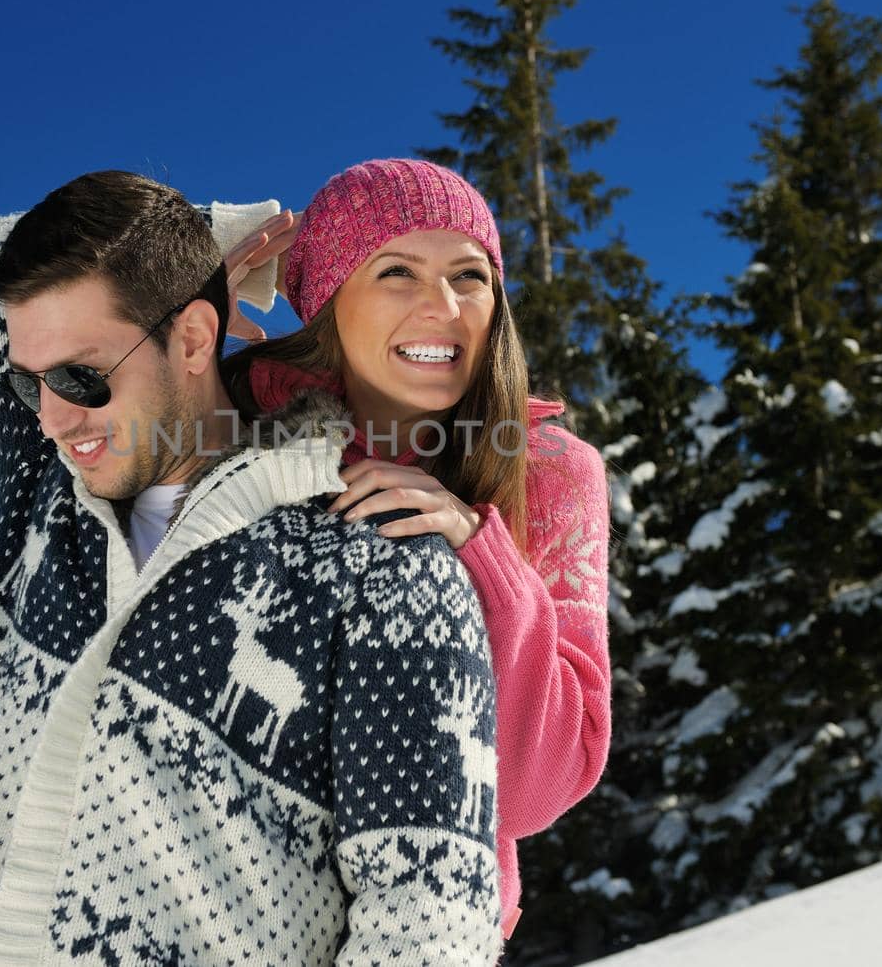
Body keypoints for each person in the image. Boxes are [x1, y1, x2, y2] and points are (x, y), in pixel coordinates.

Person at [0, 170, 504, 965]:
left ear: (191, 339)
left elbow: (431, 926)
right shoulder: (37, 497)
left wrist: (185, 279)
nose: (48, 417)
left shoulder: (381, 568)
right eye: (27, 380)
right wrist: (202, 244)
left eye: (82, 376)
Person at [220, 158, 613, 939]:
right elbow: (53, 460)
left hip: (426, 929)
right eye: (397, 270)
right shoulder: (231, 425)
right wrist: (173, 321)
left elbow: (542, 783)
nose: (443, 307)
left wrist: (483, 558)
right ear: (329, 301)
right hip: (228, 911)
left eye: (470, 277)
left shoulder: (551, 474)